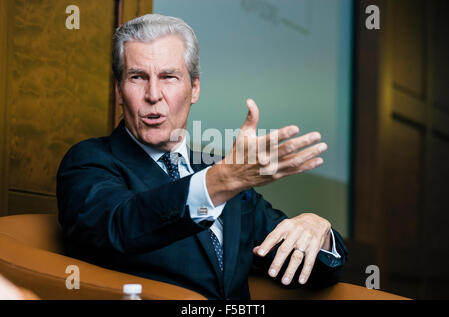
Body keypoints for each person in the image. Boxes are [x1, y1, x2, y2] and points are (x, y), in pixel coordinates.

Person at [57, 14, 348, 300]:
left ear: (194, 88)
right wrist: (218, 183)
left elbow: (305, 267)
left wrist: (318, 231)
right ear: (119, 90)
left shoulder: (222, 172)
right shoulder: (89, 161)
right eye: (137, 77)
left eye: (169, 77)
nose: (153, 94)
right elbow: (118, 227)